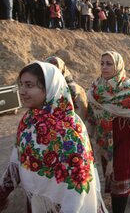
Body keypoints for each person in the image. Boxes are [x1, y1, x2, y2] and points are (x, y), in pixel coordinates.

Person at [0, 62, 107, 212]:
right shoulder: (29, 120)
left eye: (29, 85)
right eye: (21, 84)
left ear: (50, 88)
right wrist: (3, 192)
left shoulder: (70, 129)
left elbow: (78, 186)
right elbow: (18, 160)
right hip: (36, 203)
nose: (22, 91)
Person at [86, 51, 130, 213]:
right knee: (118, 174)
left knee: (120, 177)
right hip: (106, 141)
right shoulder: (96, 88)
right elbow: (91, 115)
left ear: (118, 65)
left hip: (127, 138)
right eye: (102, 63)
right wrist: (87, 138)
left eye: (109, 63)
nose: (104, 67)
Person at [45, 56, 88, 121]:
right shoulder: (48, 88)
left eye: (54, 71)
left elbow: (81, 115)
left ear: (61, 69)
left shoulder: (74, 90)